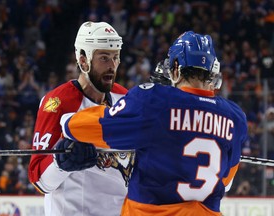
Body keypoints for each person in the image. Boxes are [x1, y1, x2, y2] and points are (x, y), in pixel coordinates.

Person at [60, 31, 248, 215]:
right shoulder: (235, 117)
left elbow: (90, 127)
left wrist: (66, 121)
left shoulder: (153, 101)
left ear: (175, 68)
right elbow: (226, 181)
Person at [28, 21, 135, 216]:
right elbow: (39, 180)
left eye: (115, 57)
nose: (112, 66)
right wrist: (61, 163)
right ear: (83, 60)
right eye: (104, 58)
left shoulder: (125, 98)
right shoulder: (57, 102)